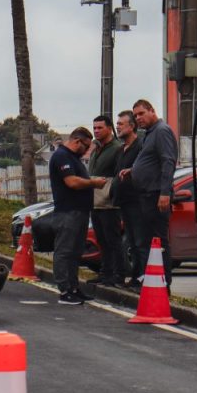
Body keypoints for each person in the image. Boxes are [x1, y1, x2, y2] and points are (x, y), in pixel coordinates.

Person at [49, 127, 107, 305]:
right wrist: (93, 183)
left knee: (75, 252)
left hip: (80, 211)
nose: (87, 150)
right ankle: (65, 289)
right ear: (76, 141)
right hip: (68, 211)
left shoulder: (73, 158)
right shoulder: (62, 156)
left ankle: (74, 287)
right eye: (86, 146)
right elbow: (71, 182)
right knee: (65, 251)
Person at [129, 99, 178, 287]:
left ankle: (163, 284)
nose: (138, 118)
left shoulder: (161, 131)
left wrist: (165, 193)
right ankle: (152, 282)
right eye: (135, 116)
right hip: (145, 194)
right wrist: (133, 170)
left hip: (156, 195)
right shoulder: (149, 134)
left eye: (141, 114)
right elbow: (150, 161)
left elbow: (168, 162)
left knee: (159, 242)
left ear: (152, 111)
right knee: (149, 241)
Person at [87, 115, 122, 287]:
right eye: (94, 128)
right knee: (102, 240)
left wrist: (111, 193)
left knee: (112, 240)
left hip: (109, 202)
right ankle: (105, 272)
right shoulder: (96, 149)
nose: (96, 131)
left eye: (100, 128)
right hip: (95, 202)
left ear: (109, 128)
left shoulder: (117, 148)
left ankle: (117, 274)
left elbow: (118, 176)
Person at [113, 110, 144, 288]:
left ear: (132, 126)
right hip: (123, 202)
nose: (118, 127)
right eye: (117, 124)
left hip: (136, 201)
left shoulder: (140, 146)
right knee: (131, 241)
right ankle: (135, 277)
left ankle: (142, 278)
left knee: (140, 241)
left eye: (121, 124)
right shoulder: (121, 150)